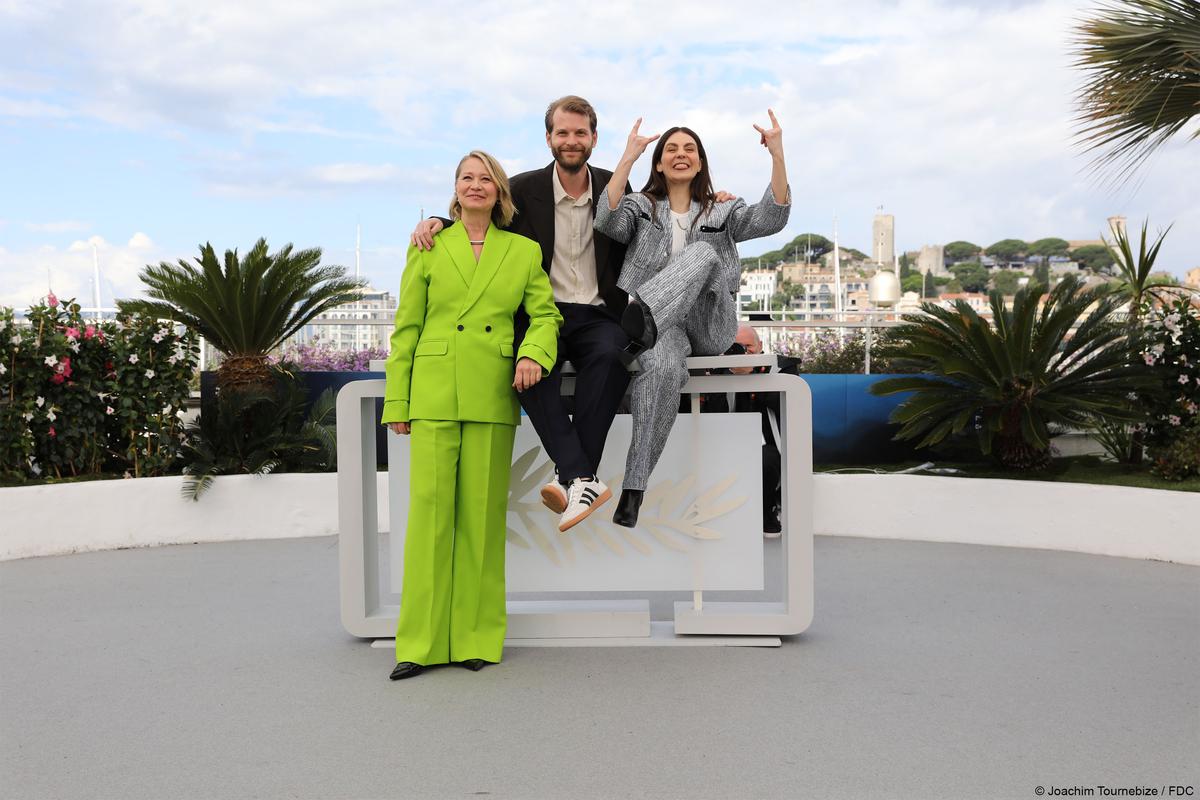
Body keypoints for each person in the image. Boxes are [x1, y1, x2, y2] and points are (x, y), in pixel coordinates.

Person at [410, 96, 630, 533]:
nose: (571, 141)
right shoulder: (523, 189)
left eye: (579, 133)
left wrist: (711, 198)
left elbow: (662, 215)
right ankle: (582, 476)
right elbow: (480, 214)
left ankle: (573, 475)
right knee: (527, 366)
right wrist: (438, 221)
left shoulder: (616, 189)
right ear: (548, 138)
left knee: (611, 357)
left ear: (594, 139)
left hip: (597, 313)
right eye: (562, 133)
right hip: (539, 314)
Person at [383, 150, 562, 681]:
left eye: (486, 179)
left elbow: (546, 315)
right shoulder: (427, 245)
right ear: (455, 189)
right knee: (429, 522)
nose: (476, 185)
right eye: (467, 177)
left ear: (500, 191)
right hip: (434, 392)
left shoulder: (523, 251)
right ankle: (418, 643)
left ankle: (477, 637)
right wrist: (399, 399)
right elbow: (406, 329)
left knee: (481, 523)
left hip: (491, 392)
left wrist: (534, 353)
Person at [594, 110, 790, 527]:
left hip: (707, 321)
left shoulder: (722, 209)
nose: (680, 154)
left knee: (703, 254)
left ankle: (641, 316)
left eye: (690, 149)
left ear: (700, 162)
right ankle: (634, 490)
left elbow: (771, 219)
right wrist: (627, 157)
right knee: (663, 370)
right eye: (671, 149)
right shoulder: (641, 206)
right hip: (662, 333)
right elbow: (606, 221)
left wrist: (776, 154)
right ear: (659, 162)